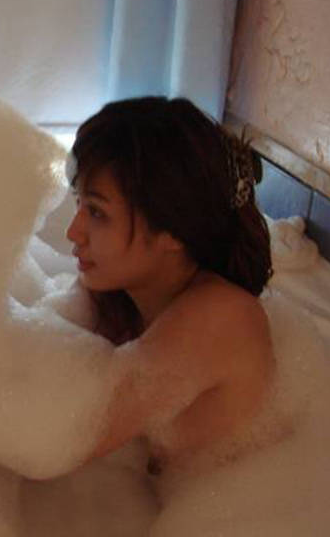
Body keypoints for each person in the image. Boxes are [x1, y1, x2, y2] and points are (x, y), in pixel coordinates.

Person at [64, 96, 274, 475]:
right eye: (78, 202)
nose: (72, 232)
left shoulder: (220, 318)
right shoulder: (123, 296)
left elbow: (66, 440)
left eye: (96, 212)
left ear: (173, 231)